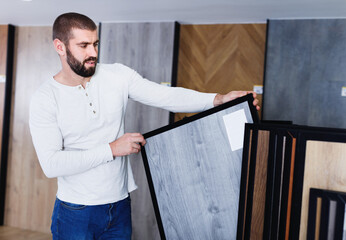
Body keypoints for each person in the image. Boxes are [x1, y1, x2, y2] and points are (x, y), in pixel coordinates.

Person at [29, 12, 260, 240]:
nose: (93, 53)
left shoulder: (117, 75)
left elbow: (165, 96)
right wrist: (112, 149)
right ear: (60, 47)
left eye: (95, 44)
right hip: (75, 212)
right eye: (84, 45)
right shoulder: (45, 98)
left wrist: (218, 99)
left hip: (119, 206)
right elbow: (51, 164)